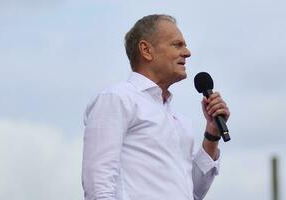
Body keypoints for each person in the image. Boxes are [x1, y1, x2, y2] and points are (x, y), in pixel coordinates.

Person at [82, 14, 230, 200]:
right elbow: (98, 186)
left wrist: (212, 135)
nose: (187, 52)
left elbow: (193, 192)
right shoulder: (118, 98)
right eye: (177, 45)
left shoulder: (179, 121)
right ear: (146, 50)